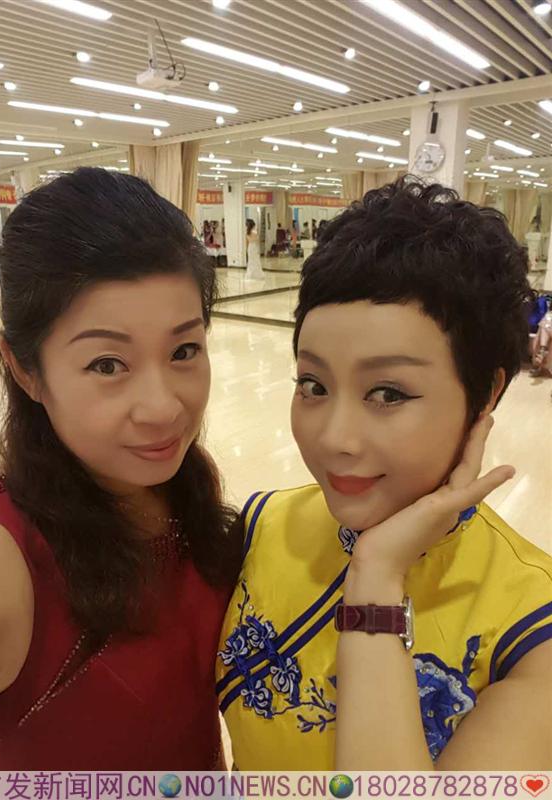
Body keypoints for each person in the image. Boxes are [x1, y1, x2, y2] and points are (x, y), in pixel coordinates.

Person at [217, 178, 552, 770]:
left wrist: (376, 579)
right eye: (313, 384)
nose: (335, 439)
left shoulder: (531, 627)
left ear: (485, 394)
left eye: (388, 393)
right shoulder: (260, 525)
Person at [0, 167, 242, 770]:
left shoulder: (181, 485)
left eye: (184, 350)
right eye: (107, 364)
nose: (164, 408)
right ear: (25, 369)